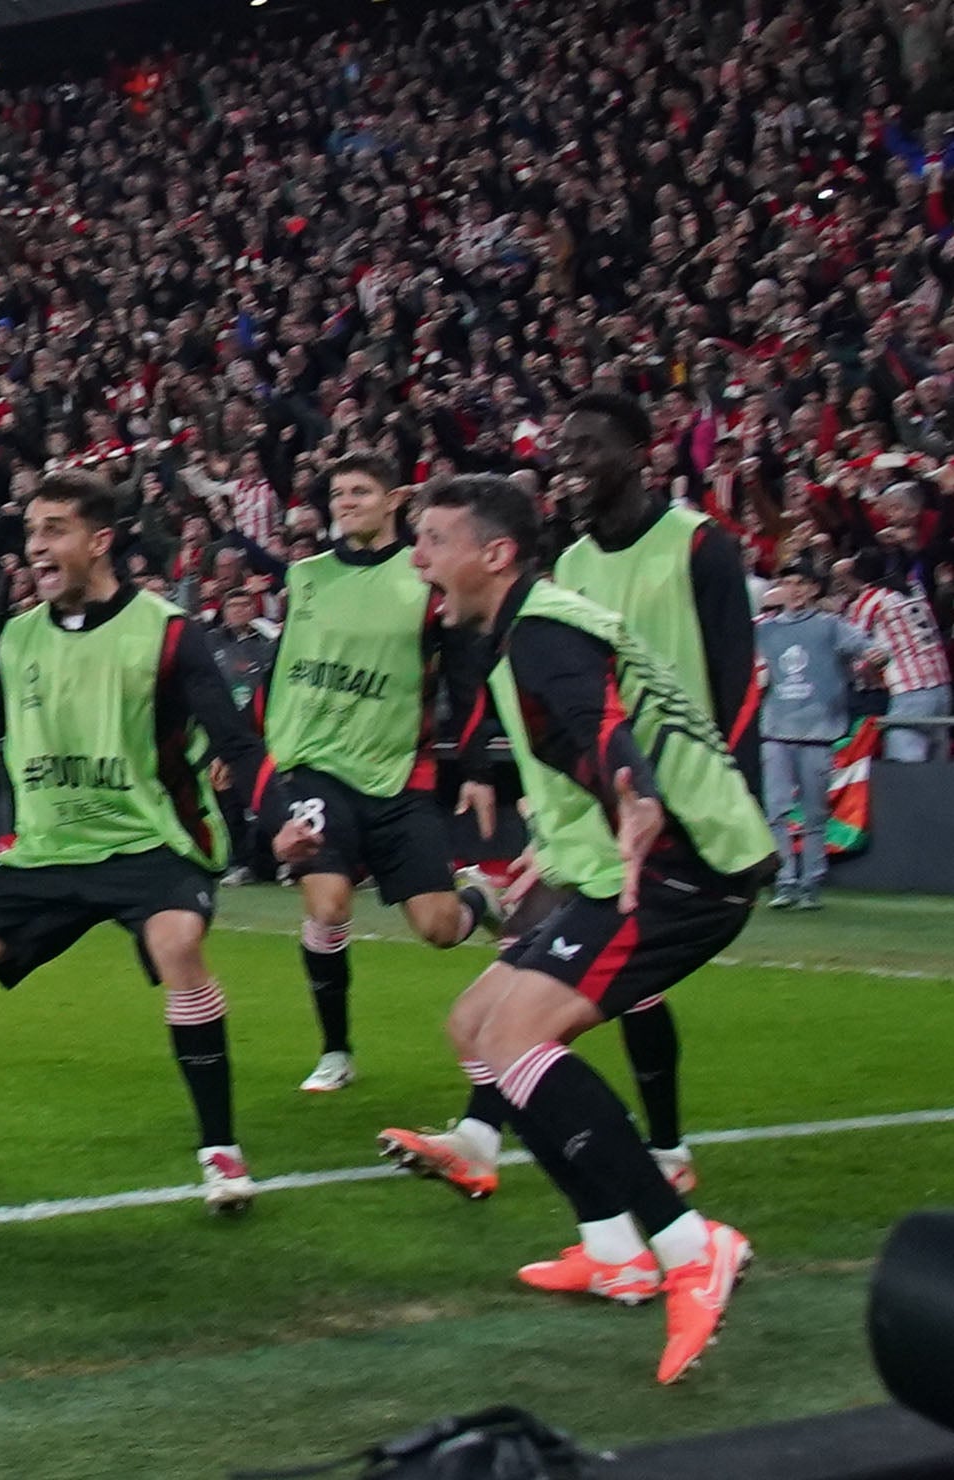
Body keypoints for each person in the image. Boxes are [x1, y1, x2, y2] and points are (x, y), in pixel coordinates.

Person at [0, 471, 314, 1212]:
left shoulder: (168, 633)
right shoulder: (19, 637)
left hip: (151, 844)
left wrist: (282, 818)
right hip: (48, 848)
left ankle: (222, 1153)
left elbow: (236, 740)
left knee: (178, 949)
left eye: (54, 531)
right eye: (32, 531)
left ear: (99, 541)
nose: (36, 547)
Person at [403, 475, 770, 1385]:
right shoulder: (527, 626)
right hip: (629, 859)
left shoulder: (542, 630)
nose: (420, 560)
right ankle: (614, 1250)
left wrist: (633, 795)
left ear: (496, 555)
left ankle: (690, 1247)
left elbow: (599, 727)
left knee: (519, 1038)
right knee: (476, 1029)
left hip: (685, 863)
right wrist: (561, 845)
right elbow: (580, 740)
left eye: (435, 540)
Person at [384, 393, 753, 1196]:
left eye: (589, 446)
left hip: (678, 804)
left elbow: (734, 677)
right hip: (601, 805)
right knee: (534, 980)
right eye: (564, 447)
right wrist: (505, 782)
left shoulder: (698, 546)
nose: (571, 461)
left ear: (638, 454)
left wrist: (725, 784)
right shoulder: (572, 566)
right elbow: (541, 692)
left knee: (567, 986)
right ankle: (523, 1153)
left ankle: (654, 1174)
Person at [257, 453, 501, 1094]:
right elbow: (281, 666)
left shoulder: (424, 577)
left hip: (398, 774)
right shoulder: (306, 576)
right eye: (338, 493)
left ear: (396, 499)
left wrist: (475, 767)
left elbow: (464, 674)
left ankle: (482, 897)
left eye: (361, 491)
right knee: (329, 903)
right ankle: (336, 1050)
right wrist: (249, 753)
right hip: (317, 770)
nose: (345, 503)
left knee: (440, 930)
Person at [756, 562, 885, 909]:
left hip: (817, 732)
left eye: (801, 583)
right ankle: (784, 881)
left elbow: (868, 647)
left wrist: (876, 654)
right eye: (788, 582)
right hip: (775, 732)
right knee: (777, 811)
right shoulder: (763, 630)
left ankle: (811, 883)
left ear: (814, 589)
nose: (794, 590)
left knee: (814, 814)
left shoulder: (831, 627)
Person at [847, 548, 952, 765]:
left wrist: (863, 671)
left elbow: (853, 648)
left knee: (905, 773)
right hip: (942, 689)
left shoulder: (869, 600)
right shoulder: (914, 591)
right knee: (937, 772)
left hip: (911, 692)